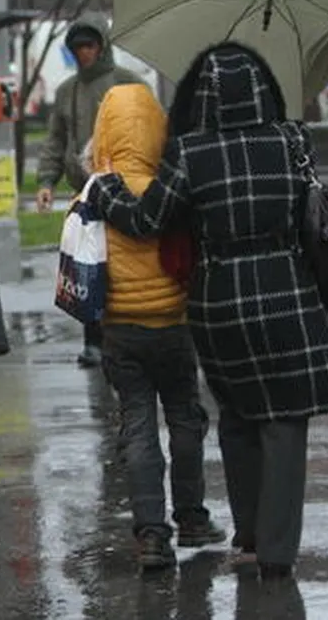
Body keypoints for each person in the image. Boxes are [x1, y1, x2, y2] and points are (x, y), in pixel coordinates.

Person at [87, 43, 328, 580]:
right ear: (264, 90)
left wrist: (107, 195)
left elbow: (148, 220)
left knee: (237, 415)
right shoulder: (292, 140)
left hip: (219, 304)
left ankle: (250, 537)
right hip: (285, 295)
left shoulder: (192, 153)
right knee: (284, 420)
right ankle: (278, 554)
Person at [83, 83, 225, 570]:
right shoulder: (172, 185)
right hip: (173, 324)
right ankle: (192, 518)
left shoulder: (96, 190)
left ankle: (150, 535)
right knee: (185, 418)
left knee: (138, 425)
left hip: (120, 329)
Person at [36, 13, 145, 368]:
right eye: (78, 47)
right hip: (84, 192)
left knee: (122, 266)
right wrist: (45, 182)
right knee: (85, 265)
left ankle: (124, 335)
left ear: (102, 46)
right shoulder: (68, 90)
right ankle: (92, 340)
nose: (84, 53)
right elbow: (55, 141)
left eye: (90, 45)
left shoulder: (127, 82)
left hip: (124, 189)